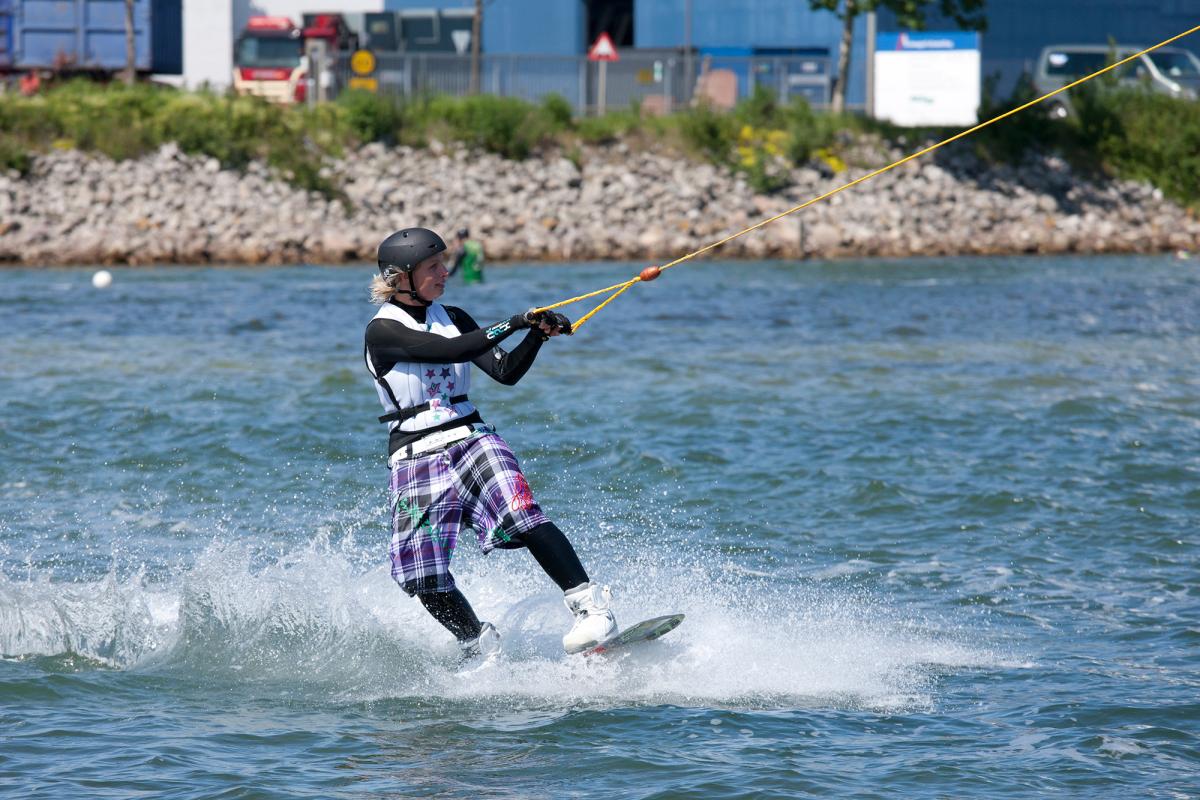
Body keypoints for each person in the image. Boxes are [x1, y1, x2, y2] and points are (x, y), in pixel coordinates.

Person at [364, 227, 617, 659]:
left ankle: (590, 609)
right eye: (432, 267)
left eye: (443, 264)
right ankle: (476, 642)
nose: (445, 272)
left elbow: (505, 372)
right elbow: (451, 352)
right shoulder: (382, 331)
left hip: (471, 438)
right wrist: (515, 321)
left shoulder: (455, 317)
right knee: (421, 575)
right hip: (413, 457)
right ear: (400, 277)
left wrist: (535, 334)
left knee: (521, 513)